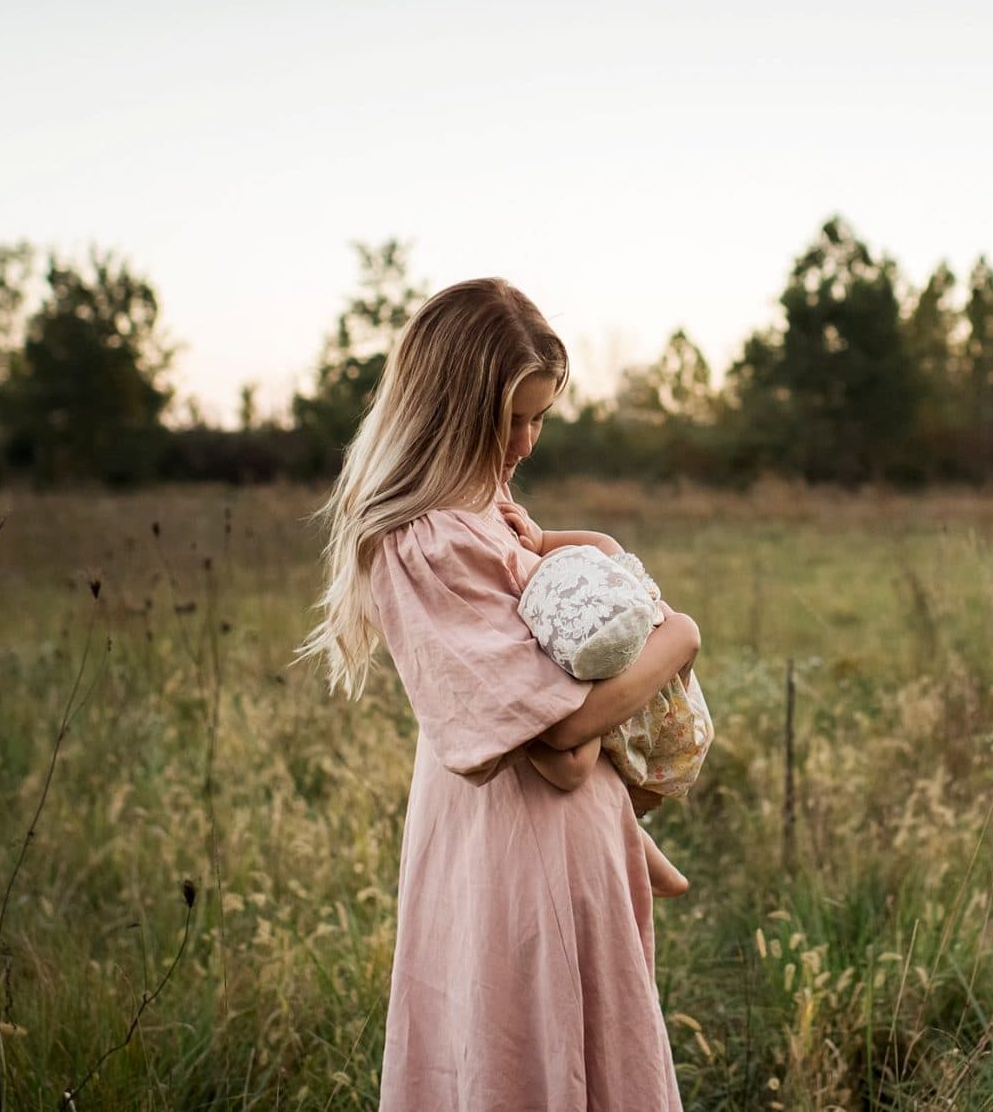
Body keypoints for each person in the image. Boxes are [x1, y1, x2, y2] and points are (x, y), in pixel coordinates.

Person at [293, 277, 699, 1112]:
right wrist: (682, 636)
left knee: (585, 1046)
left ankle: (638, 837)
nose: (523, 443)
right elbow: (561, 739)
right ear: (446, 409)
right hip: (512, 845)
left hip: (569, 836)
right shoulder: (420, 539)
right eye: (507, 419)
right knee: (518, 1049)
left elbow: (564, 691)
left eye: (538, 418)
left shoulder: (490, 513)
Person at [495, 487, 711, 898]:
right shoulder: (564, 602)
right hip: (614, 686)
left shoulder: (614, 576)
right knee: (580, 771)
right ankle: (646, 853)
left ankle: (642, 849)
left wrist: (541, 541)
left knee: (574, 767)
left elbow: (600, 543)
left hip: (648, 706)